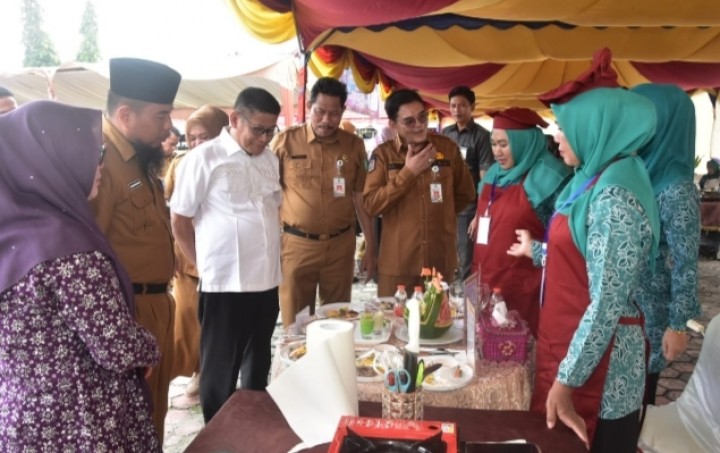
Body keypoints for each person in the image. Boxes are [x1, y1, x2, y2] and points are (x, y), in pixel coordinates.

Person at [509, 48, 660, 452]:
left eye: (564, 126)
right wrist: (537, 252)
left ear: (595, 128)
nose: (555, 137)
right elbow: (580, 258)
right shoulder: (591, 178)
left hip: (604, 373)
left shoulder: (615, 197)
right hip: (576, 344)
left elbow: (607, 301)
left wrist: (568, 379)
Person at [0, 100, 161, 451]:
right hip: (83, 423)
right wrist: (149, 348)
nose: (100, 164)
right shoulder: (67, 247)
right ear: (50, 160)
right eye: (93, 151)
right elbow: (115, 346)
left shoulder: (10, 234)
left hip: (22, 417)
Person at [169, 87, 283, 423]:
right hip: (225, 285)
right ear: (235, 119)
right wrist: (203, 265)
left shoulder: (269, 159)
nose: (264, 138)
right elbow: (179, 219)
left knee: (258, 361)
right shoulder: (203, 159)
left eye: (270, 130)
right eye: (258, 129)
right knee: (220, 368)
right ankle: (217, 435)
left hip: (266, 282)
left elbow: (269, 209)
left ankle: (252, 425)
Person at [90, 57, 181, 442]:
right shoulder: (101, 163)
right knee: (133, 420)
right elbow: (90, 258)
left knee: (154, 413)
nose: (168, 127)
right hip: (130, 312)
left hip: (156, 307)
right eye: (161, 116)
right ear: (125, 113)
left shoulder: (138, 158)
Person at [271, 77, 376, 327]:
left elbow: (360, 197)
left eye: (334, 113)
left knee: (338, 321)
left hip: (340, 246)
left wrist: (371, 247)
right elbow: (266, 195)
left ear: (342, 112)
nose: (326, 120)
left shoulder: (354, 146)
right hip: (296, 246)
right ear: (309, 107)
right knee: (296, 323)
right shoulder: (285, 142)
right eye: (320, 112)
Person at [364, 89, 475, 296]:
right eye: (409, 121)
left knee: (440, 325)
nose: (419, 125)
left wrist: (441, 214)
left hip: (439, 263)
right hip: (398, 266)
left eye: (422, 117)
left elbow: (465, 193)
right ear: (393, 125)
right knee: (395, 325)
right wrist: (408, 173)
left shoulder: (447, 149)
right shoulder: (383, 156)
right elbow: (371, 205)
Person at [469, 108, 570, 335]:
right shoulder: (495, 173)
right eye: (493, 144)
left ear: (523, 142)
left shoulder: (552, 178)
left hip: (524, 286)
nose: (497, 152)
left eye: (504, 144)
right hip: (486, 278)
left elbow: (563, 243)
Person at [631, 83, 702, 405]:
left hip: (652, 317)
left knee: (638, 398)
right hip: (630, 310)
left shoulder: (677, 191)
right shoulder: (640, 173)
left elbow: (686, 264)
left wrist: (678, 326)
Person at [164, 104, 228, 398]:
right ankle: (197, 371)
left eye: (205, 137)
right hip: (188, 262)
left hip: (223, 259)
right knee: (189, 320)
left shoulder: (234, 162)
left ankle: (215, 373)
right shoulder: (180, 164)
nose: (197, 144)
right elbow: (167, 210)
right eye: (192, 138)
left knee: (220, 323)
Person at [442, 86, 492, 280]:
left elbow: (485, 179)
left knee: (466, 260)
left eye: (462, 105)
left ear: (472, 107)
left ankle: (467, 305)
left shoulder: (482, 136)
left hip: (469, 209)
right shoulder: (445, 134)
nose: (457, 110)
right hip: (446, 206)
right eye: (453, 105)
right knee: (445, 258)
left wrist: (479, 214)